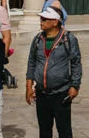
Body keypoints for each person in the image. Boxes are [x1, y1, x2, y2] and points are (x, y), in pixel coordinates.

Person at [25, 8, 80, 138]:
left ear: (55, 22)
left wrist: (75, 86)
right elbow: (31, 63)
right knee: (44, 131)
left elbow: (76, 63)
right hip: (41, 93)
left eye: (44, 19)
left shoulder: (69, 39)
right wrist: (28, 87)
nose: (41, 21)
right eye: (41, 18)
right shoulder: (37, 39)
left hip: (61, 93)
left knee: (64, 130)